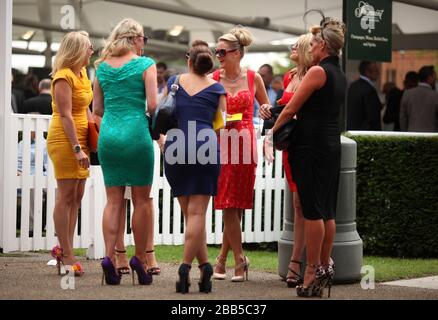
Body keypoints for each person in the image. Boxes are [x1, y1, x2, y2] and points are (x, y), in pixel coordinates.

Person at [267, 16, 347, 298]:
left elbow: (289, 110)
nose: (310, 48)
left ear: (323, 45)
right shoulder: (340, 74)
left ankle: (312, 271)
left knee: (312, 211)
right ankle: (324, 268)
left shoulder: (316, 73)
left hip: (310, 147)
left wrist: (270, 135)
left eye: (313, 43)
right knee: (326, 210)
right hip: (330, 145)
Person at [93, 18, 157, 285]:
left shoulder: (101, 68)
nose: (144, 43)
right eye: (143, 38)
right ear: (134, 38)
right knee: (141, 201)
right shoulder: (146, 65)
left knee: (113, 201)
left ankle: (109, 256)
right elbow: (153, 104)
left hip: (109, 136)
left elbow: (97, 109)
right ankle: (140, 259)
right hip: (137, 135)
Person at [162, 40, 226, 294]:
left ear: (190, 60)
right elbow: (222, 121)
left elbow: (163, 109)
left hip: (177, 143)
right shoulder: (217, 88)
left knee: (190, 215)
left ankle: (206, 267)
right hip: (205, 143)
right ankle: (186, 267)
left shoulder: (174, 82)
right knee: (197, 215)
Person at [212, 26, 271, 282]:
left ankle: (223, 259)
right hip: (222, 142)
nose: (218, 55)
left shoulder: (253, 77)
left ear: (237, 53)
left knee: (236, 205)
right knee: (227, 202)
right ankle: (238, 260)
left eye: (222, 51)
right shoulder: (214, 77)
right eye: (216, 52)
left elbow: (265, 104)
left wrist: (266, 110)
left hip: (245, 143)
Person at [262, 33, 313, 288]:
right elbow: (283, 108)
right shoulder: (291, 76)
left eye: (296, 46)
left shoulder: (313, 75)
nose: (291, 48)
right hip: (289, 146)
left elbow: (300, 110)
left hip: (304, 145)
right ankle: (298, 262)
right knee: (296, 205)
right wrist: (268, 111)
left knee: (301, 204)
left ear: (305, 49)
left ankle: (297, 262)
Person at [46, 31, 94, 276]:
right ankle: (66, 254)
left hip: (81, 138)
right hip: (65, 139)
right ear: (76, 50)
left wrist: (92, 135)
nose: (92, 51)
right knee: (65, 196)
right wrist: (77, 149)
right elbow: (65, 115)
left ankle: (65, 248)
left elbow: (84, 108)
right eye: (88, 47)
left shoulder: (83, 73)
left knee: (77, 197)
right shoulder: (63, 77)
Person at [17, 130, 48, 237]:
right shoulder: (21, 144)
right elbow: (17, 161)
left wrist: (46, 175)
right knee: (32, 189)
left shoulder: (46, 143)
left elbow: (48, 163)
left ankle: (52, 226)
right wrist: (18, 171)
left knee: (56, 190)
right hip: (24, 175)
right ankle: (32, 227)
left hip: (44, 175)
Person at [400, 65, 438, 132]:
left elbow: (403, 118)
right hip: (431, 135)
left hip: (411, 133)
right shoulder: (435, 96)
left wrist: (405, 132)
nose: (435, 79)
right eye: (434, 76)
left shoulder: (407, 94)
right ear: (429, 77)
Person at [346, 61, 382, 130]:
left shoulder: (353, 86)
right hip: (366, 133)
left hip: (352, 130)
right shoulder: (369, 90)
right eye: (376, 70)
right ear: (367, 72)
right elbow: (372, 117)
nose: (378, 73)